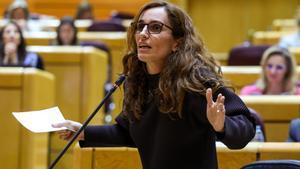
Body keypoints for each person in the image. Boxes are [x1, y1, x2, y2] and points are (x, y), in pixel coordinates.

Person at [53, 1, 255, 168]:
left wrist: (222, 125)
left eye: (155, 27)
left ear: (177, 41)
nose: (143, 33)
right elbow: (127, 132)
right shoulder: (137, 82)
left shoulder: (196, 82)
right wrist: (83, 131)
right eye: (139, 26)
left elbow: (245, 128)